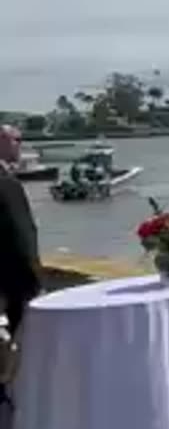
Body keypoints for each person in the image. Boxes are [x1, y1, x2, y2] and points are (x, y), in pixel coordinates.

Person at [0, 126, 41, 415]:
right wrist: (34, 285)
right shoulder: (5, 184)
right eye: (16, 140)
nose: (20, 146)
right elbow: (20, 238)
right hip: (11, 289)